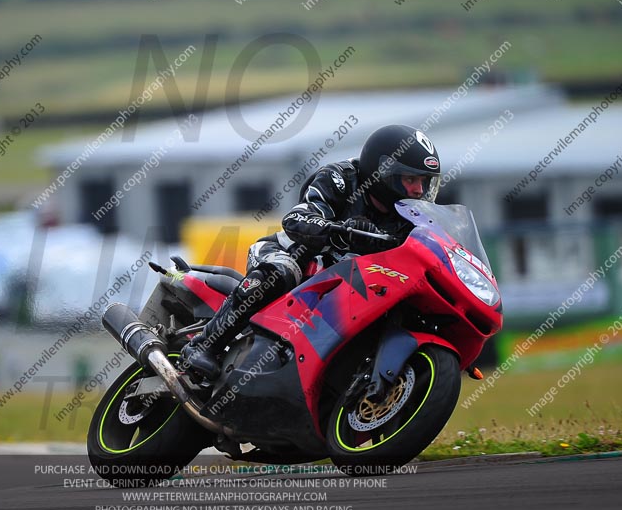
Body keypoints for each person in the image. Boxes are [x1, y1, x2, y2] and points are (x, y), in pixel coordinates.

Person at [181, 124, 442, 379]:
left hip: (344, 287)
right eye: (410, 179)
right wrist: (342, 230)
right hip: (290, 256)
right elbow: (296, 219)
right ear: (383, 172)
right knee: (281, 273)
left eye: (423, 181)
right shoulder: (341, 179)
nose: (418, 190)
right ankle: (205, 345)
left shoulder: (413, 218)